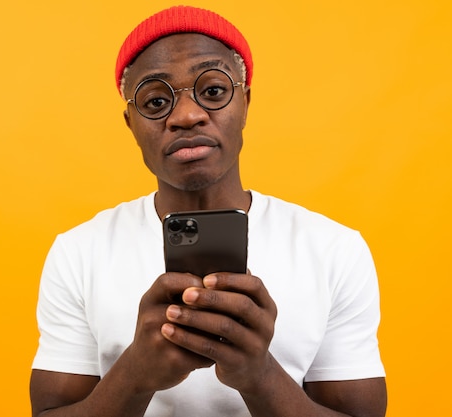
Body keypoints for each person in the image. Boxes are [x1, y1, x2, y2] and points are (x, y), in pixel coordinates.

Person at [30, 5, 387, 417]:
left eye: (213, 91)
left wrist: (259, 376)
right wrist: (135, 373)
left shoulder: (334, 249)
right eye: (156, 100)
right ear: (131, 124)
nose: (186, 115)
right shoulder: (78, 252)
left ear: (246, 102)